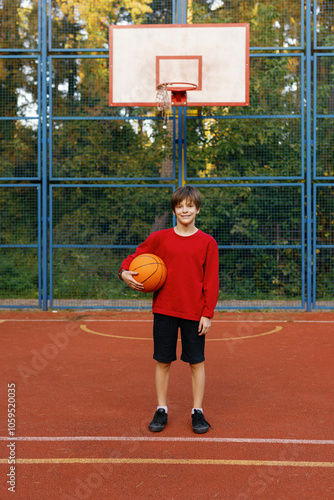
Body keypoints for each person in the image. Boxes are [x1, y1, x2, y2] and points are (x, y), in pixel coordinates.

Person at [118, 185, 219, 434]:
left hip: (194, 313)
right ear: (174, 209)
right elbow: (133, 257)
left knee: (196, 362)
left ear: (198, 209)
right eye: (180, 206)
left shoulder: (207, 242)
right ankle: (161, 409)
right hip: (164, 309)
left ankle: (198, 411)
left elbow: (211, 281)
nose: (185, 210)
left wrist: (208, 313)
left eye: (190, 206)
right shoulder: (159, 238)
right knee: (163, 361)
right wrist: (123, 273)